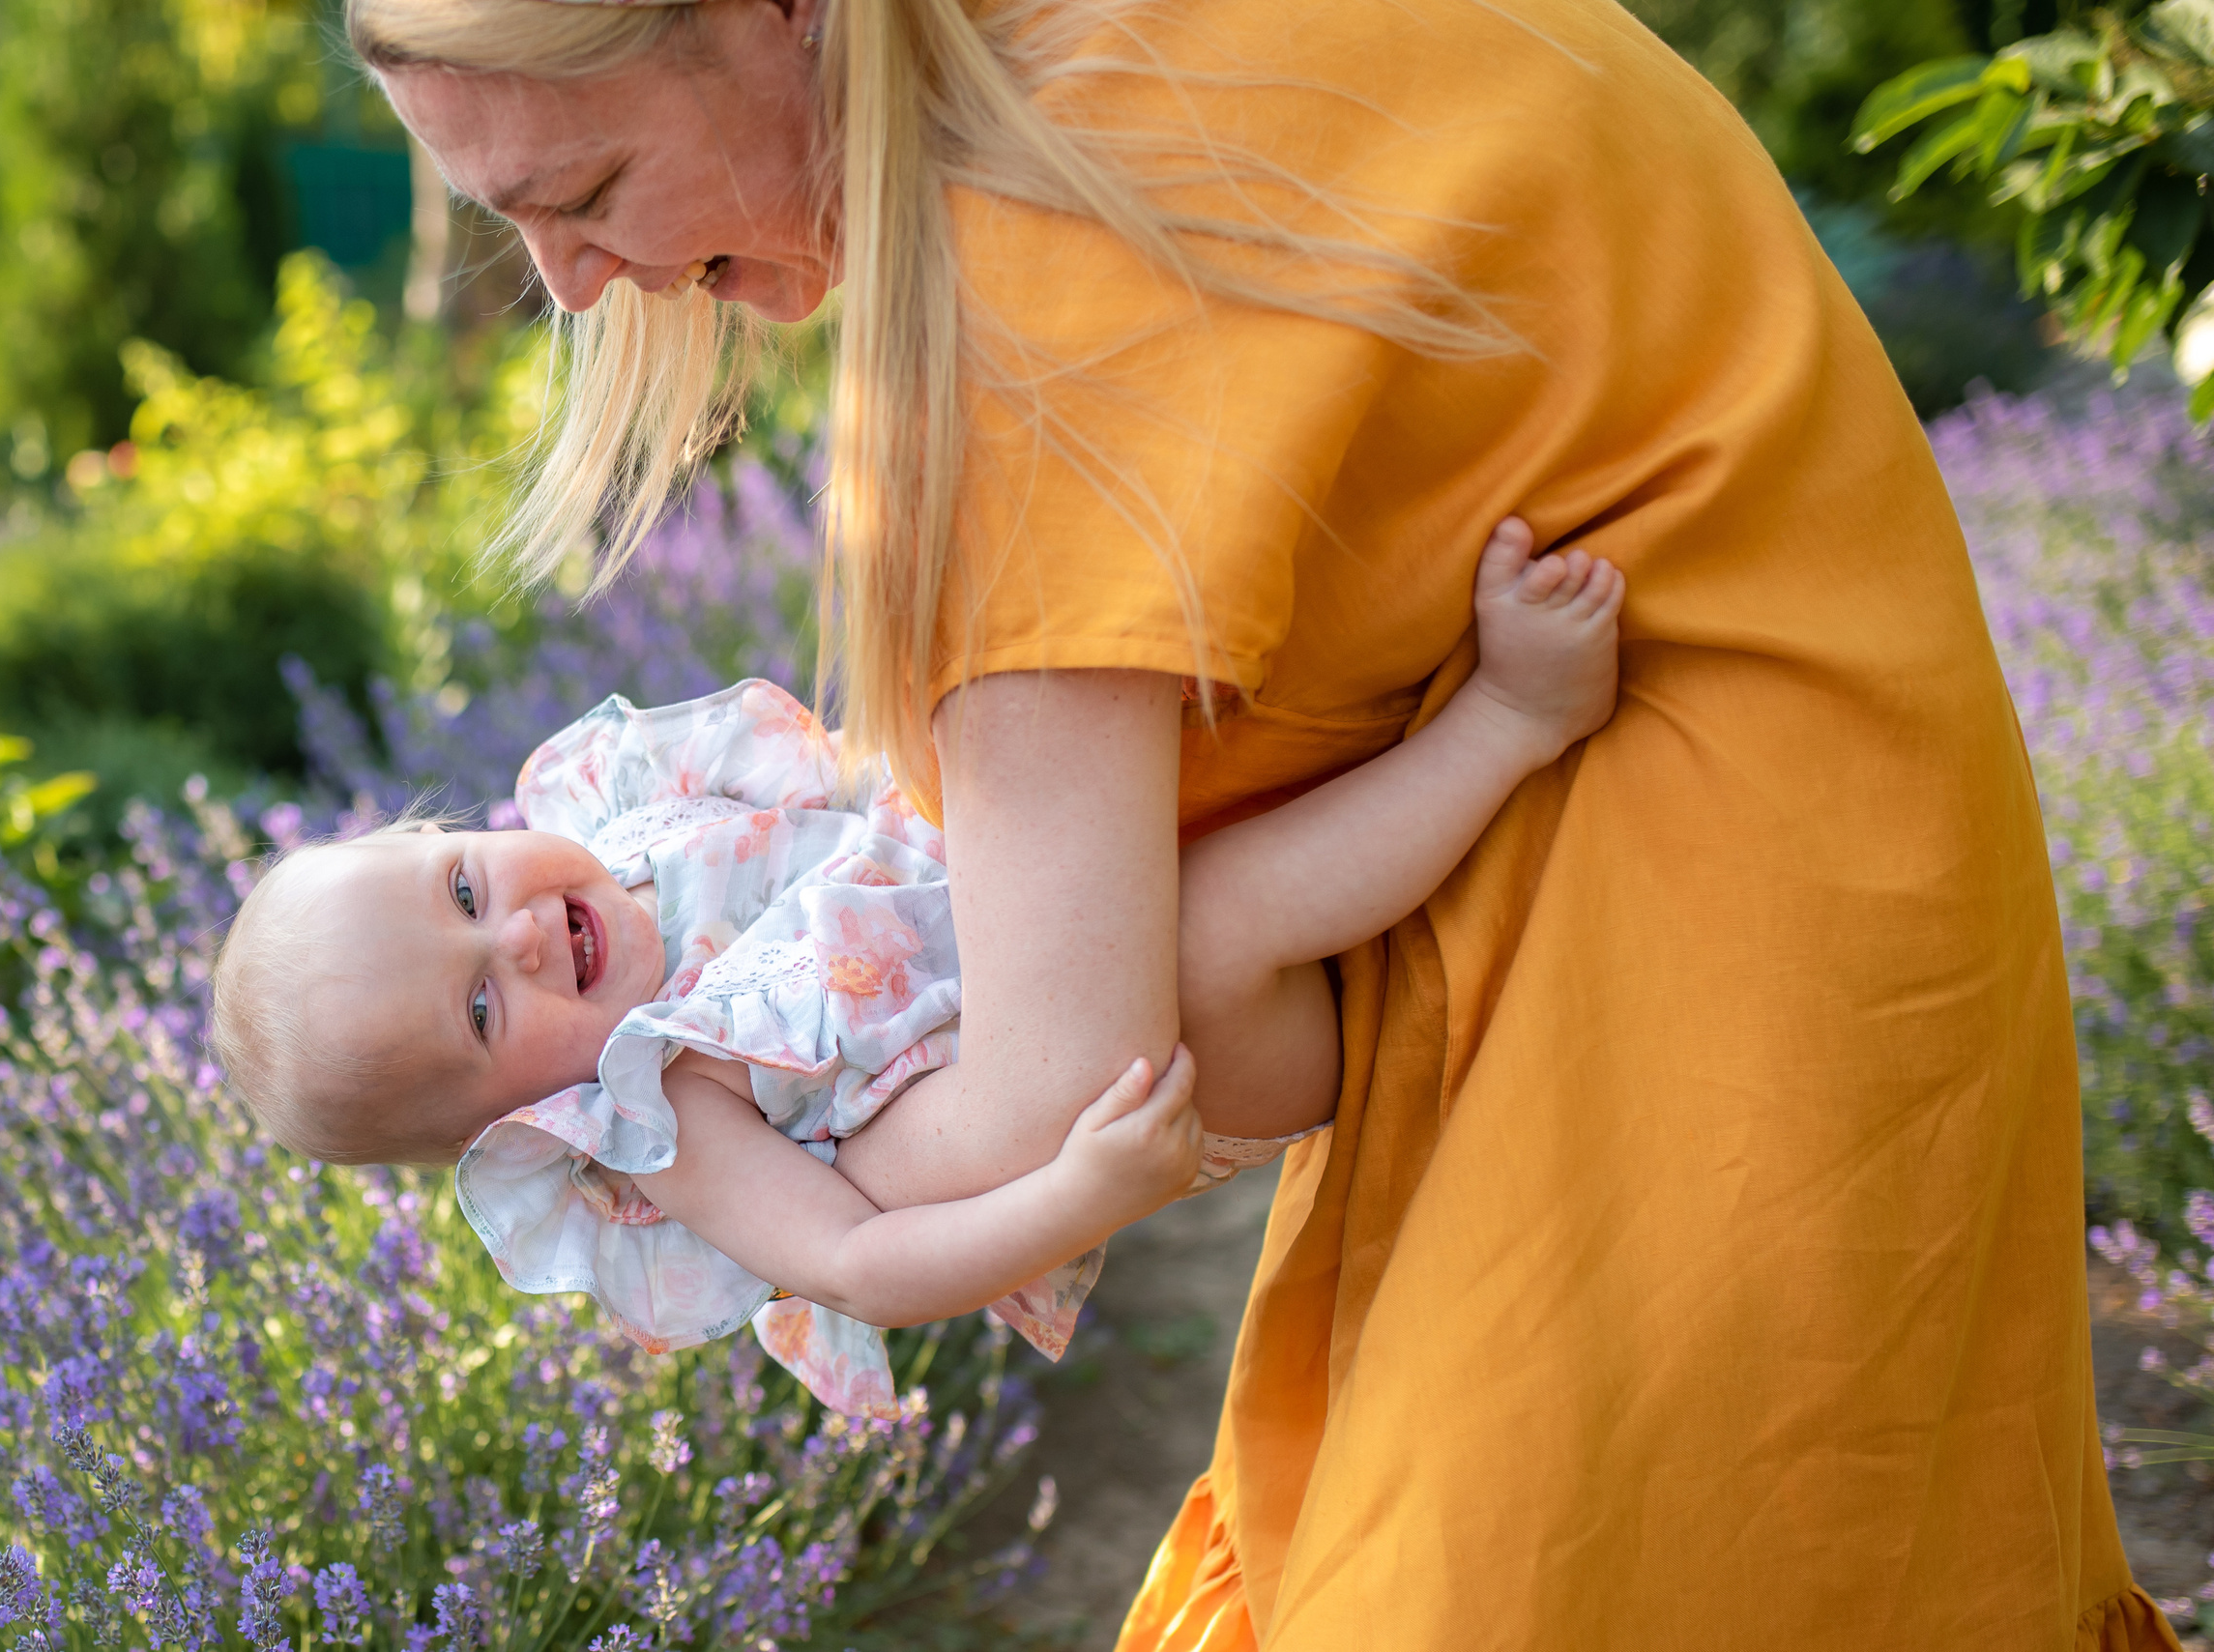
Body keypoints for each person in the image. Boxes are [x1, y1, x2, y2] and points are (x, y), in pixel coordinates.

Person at [349, 0, 2168, 1643]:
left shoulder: (1028, 265)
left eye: (580, 185)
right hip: (1801, 752)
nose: (570, 286)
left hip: (1691, 836)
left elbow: (1071, 1074)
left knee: (1577, 1568)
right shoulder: (1086, 66)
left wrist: (884, 1154)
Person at [211, 521, 1622, 1420]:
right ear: (503, 1127)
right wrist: (1085, 1190)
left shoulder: (633, 814)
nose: (512, 934)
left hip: (1059, 924)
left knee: (1093, 748)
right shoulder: (660, 1111)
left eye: (463, 886)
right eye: (479, 1008)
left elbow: (856, 796)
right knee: (1208, 918)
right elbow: (856, 1263)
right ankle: (1513, 718)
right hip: (1176, 1065)